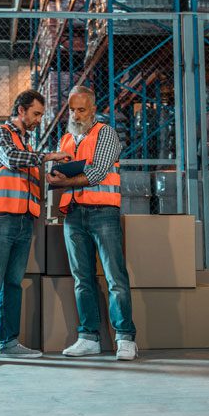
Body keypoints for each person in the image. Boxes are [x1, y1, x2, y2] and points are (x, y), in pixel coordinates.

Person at [0, 89, 71, 365]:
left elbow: (27, 171)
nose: (39, 119)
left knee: (13, 284)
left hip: (25, 220)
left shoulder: (27, 145)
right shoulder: (0, 135)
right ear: (21, 111)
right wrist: (48, 156)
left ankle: (8, 342)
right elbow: (12, 160)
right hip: (1, 218)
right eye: (36, 114)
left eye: (41, 114)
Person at [46, 85, 137, 361]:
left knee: (115, 277)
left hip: (102, 213)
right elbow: (58, 174)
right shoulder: (65, 140)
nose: (75, 114)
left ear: (93, 110)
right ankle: (88, 337)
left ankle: (125, 338)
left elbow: (97, 172)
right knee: (82, 279)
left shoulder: (105, 133)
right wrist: (53, 178)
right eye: (72, 109)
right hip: (74, 214)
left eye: (81, 109)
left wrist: (65, 180)